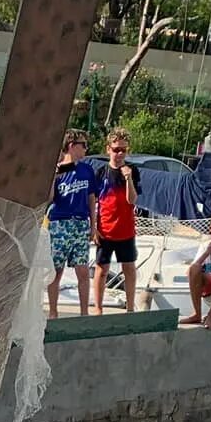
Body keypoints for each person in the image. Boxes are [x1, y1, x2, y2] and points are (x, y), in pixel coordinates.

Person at [46, 128, 100, 319]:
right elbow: (50, 198)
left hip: (80, 223)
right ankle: (53, 312)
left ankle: (84, 312)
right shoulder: (58, 168)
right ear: (71, 146)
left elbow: (92, 197)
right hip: (60, 223)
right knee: (57, 270)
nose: (86, 149)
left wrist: (93, 225)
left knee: (82, 270)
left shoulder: (86, 170)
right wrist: (53, 176)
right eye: (83, 145)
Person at [91, 127, 141, 313]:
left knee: (129, 267)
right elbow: (94, 202)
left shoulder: (132, 171)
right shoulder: (101, 173)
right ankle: (98, 307)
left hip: (126, 230)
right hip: (105, 229)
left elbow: (132, 200)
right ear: (108, 149)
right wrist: (93, 227)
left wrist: (128, 179)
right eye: (116, 149)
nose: (119, 153)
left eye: (123, 150)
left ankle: (130, 306)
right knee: (101, 269)